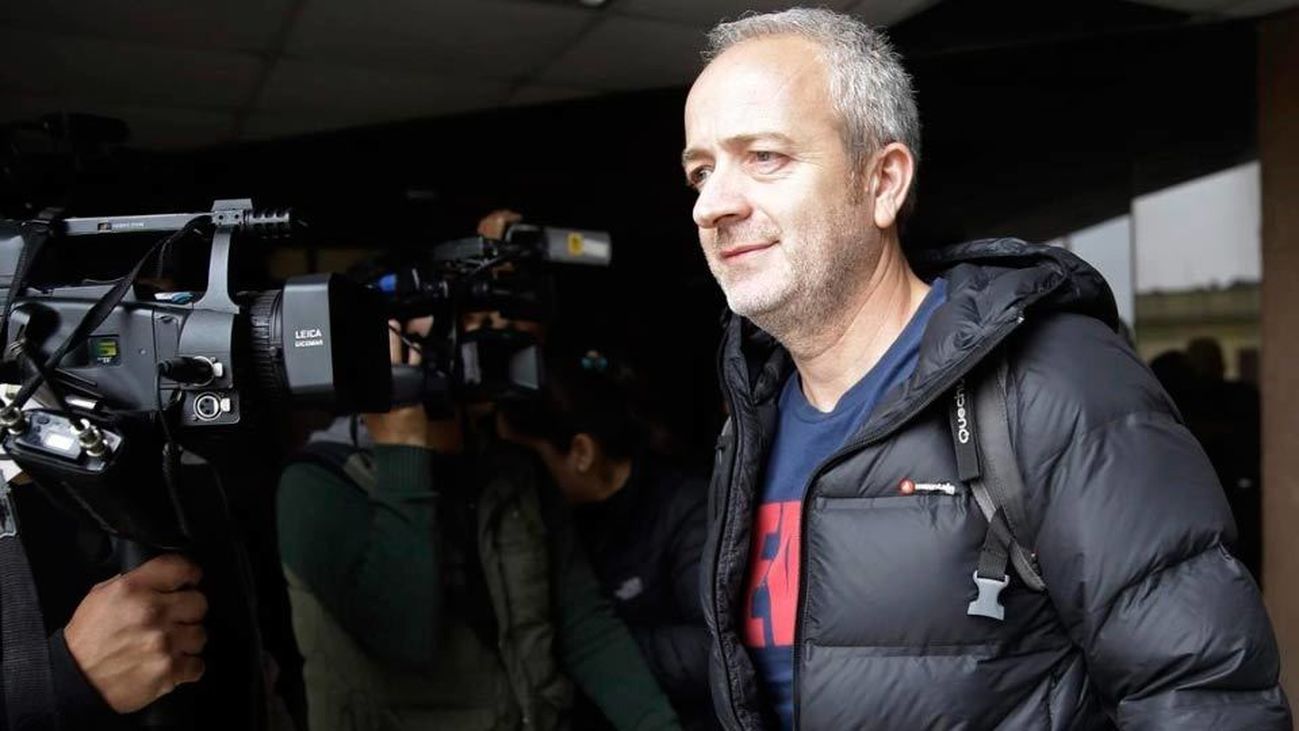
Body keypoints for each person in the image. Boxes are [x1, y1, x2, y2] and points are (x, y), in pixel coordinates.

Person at [682, 8, 1290, 729]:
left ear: (882, 182)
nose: (711, 206)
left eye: (764, 157)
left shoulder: (1051, 383)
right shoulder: (751, 422)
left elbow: (1203, 697)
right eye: (700, 171)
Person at [276, 314, 682, 728]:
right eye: (465, 321)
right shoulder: (319, 484)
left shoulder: (515, 470)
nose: (490, 338)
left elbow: (584, 626)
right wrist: (402, 449)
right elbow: (404, 638)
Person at [498, 346, 717, 730]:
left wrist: (608, 658)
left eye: (528, 459)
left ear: (581, 453)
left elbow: (714, 647)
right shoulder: (552, 526)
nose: (515, 477)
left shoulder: (684, 507)